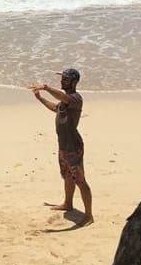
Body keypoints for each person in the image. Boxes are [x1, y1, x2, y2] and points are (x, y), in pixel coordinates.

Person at [30, 68, 94, 227]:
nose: (62, 81)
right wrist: (40, 98)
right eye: (62, 79)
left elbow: (62, 97)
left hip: (73, 146)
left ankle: (89, 215)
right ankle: (68, 203)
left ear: (74, 82)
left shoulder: (75, 98)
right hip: (63, 145)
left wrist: (45, 87)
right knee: (66, 175)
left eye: (65, 79)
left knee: (80, 179)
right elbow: (55, 107)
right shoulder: (64, 102)